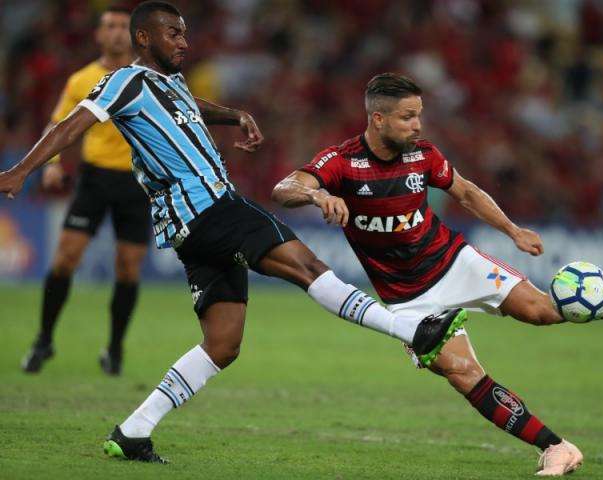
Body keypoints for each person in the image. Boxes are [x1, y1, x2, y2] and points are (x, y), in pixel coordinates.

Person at [0, 2, 465, 464]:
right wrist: (21, 170)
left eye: (184, 33)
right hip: (211, 208)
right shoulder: (126, 81)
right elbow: (71, 125)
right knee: (309, 267)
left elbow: (187, 105)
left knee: (223, 343)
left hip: (190, 227)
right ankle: (413, 330)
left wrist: (233, 114)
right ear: (143, 38)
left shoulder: (168, 83)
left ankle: (133, 430)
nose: (183, 42)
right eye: (172, 33)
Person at [271, 73, 603, 476]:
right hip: (407, 301)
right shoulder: (342, 162)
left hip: (455, 262)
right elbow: (286, 187)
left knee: (543, 312)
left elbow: (465, 192)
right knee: (463, 374)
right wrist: (318, 193)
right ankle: (556, 447)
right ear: (378, 120)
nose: (418, 125)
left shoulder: (424, 155)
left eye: (419, 115)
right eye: (408, 117)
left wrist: (512, 230)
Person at [21, 6, 147, 376]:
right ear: (98, 35)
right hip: (94, 179)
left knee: (128, 267)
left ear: (136, 34)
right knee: (65, 258)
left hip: (137, 181)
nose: (117, 33)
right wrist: (53, 166)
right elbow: (57, 124)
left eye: (124, 26)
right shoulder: (82, 79)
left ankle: (115, 348)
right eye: (110, 26)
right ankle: (43, 339)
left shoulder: (147, 78)